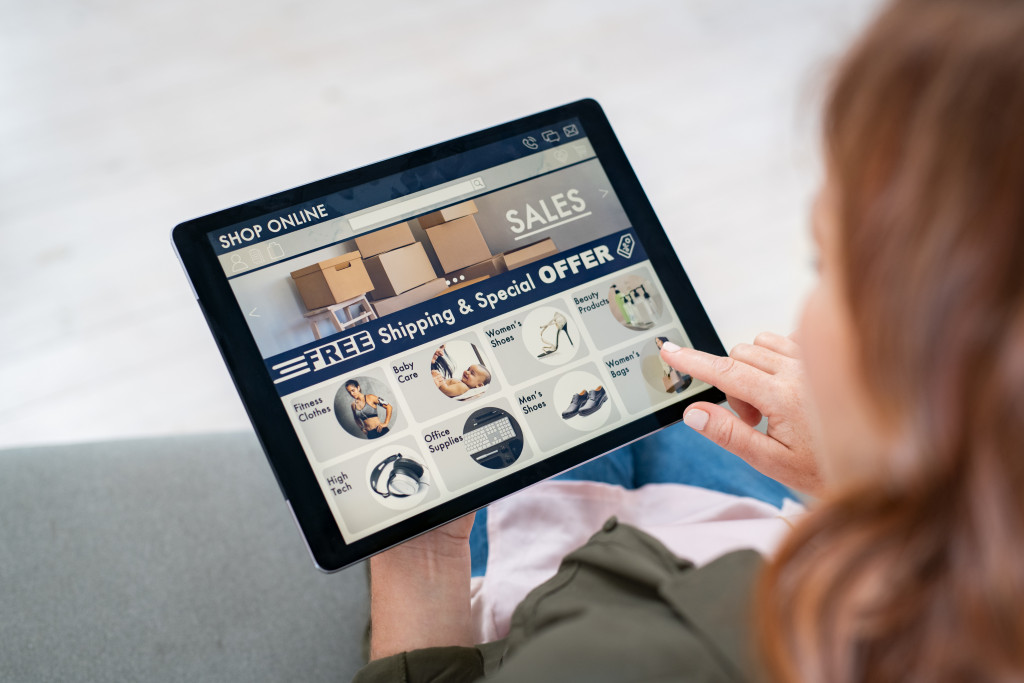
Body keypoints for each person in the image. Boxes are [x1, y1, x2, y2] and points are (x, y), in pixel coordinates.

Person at [355, 0, 1024, 680]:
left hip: (597, 599)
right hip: (777, 534)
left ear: (953, 366)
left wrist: (423, 557)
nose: (799, 326)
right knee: (653, 373)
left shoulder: (616, 662)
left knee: (582, 386)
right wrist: (879, 480)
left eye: (829, 265)